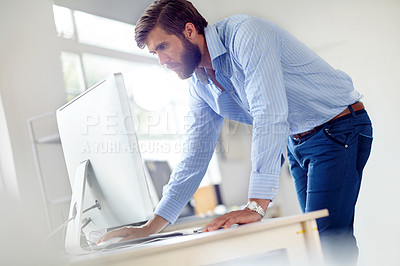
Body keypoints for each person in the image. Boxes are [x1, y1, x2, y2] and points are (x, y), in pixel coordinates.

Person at [98, 0, 373, 263]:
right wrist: (151, 227)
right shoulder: (200, 84)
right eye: (154, 53)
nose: (161, 60)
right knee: (313, 239)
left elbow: (270, 112)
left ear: (189, 30)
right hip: (297, 140)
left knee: (328, 242)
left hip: (339, 127)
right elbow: (195, 155)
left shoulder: (245, 34)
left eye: (163, 46)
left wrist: (256, 205)